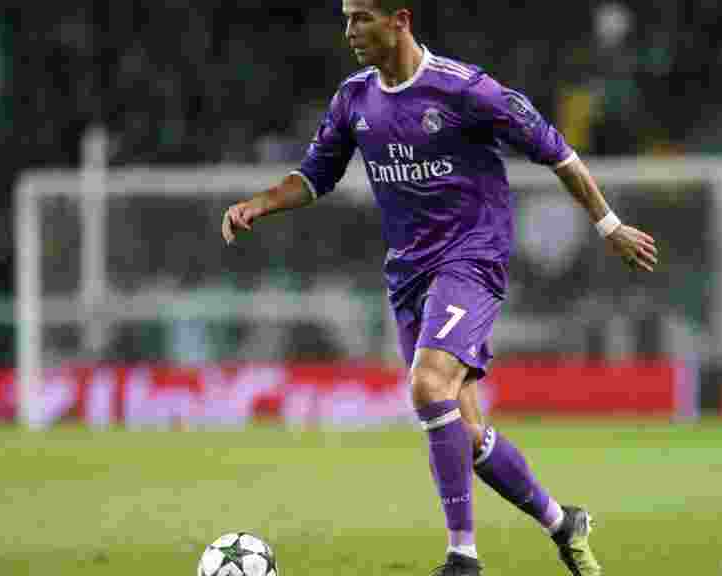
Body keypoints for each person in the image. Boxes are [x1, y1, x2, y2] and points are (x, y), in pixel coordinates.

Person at [221, 1, 658, 574]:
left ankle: (463, 557)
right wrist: (260, 203)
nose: (350, 30)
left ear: (399, 20)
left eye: (363, 18)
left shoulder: (465, 90)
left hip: (472, 259)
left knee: (429, 386)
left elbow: (558, 151)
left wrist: (609, 225)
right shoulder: (353, 99)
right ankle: (562, 522)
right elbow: (315, 175)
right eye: (347, 18)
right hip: (409, 274)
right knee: (468, 434)